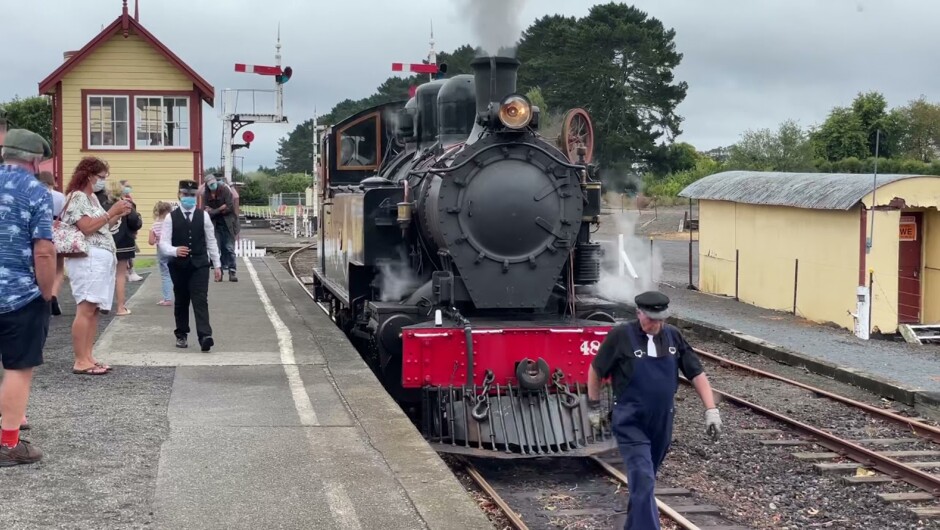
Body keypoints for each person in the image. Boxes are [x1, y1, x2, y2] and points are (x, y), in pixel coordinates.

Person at [587, 291, 722, 530]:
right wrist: (594, 407)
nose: (656, 323)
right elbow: (596, 370)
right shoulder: (621, 336)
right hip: (630, 420)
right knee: (644, 477)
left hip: (662, 422)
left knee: (643, 485)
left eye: (660, 318)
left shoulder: (673, 337)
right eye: (651, 318)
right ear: (638, 313)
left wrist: (711, 410)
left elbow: (696, 373)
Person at [0, 129, 55, 466]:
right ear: (35, 160)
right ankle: (8, 443)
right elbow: (45, 251)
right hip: (18, 294)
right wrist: (46, 292)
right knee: (18, 369)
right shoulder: (36, 190)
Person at [61, 157, 133, 375]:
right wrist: (110, 213)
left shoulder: (92, 198)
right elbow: (86, 227)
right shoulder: (77, 197)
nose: (102, 181)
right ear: (88, 174)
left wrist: (117, 214)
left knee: (93, 310)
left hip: (99, 258)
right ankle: (80, 360)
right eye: (100, 177)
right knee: (86, 308)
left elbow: (100, 226)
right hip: (87, 259)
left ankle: (88, 356)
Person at [158, 180, 222, 351]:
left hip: (200, 264)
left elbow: (211, 241)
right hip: (178, 265)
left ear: (197, 197)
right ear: (179, 195)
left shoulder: (204, 216)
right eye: (185, 195)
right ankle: (181, 334)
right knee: (181, 300)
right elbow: (163, 243)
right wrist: (174, 250)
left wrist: (217, 265)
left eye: (192, 195)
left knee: (200, 299)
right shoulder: (171, 217)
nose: (188, 198)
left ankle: (205, 336)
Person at [101, 180, 142, 316]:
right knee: (120, 276)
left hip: (106, 243)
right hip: (124, 243)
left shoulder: (101, 205)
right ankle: (120, 307)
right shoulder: (127, 204)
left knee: (104, 275)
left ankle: (101, 304)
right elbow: (135, 223)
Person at [37, 171, 66, 316]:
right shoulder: (59, 196)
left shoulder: (33, 194)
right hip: (56, 232)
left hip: (39, 232)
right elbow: (65, 216)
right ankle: (53, 294)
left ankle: (42, 297)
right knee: (59, 268)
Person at [202, 173, 238, 282]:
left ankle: (232, 272)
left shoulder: (225, 190)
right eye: (210, 184)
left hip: (228, 224)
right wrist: (219, 209)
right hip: (215, 225)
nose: (213, 186)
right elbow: (206, 211)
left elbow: (229, 207)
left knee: (229, 248)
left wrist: (213, 211)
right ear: (207, 185)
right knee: (216, 249)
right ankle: (219, 272)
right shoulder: (206, 195)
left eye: (214, 183)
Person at [149, 201, 174, 306]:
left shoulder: (154, 225)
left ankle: (167, 299)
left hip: (162, 250)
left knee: (165, 275)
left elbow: (151, 241)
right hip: (173, 249)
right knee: (178, 273)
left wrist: (156, 240)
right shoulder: (172, 223)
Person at [121, 180, 144, 283]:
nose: (128, 188)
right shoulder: (121, 200)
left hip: (130, 228)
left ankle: (130, 272)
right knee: (126, 252)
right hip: (124, 229)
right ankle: (129, 273)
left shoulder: (129, 199)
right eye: (126, 186)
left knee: (130, 252)